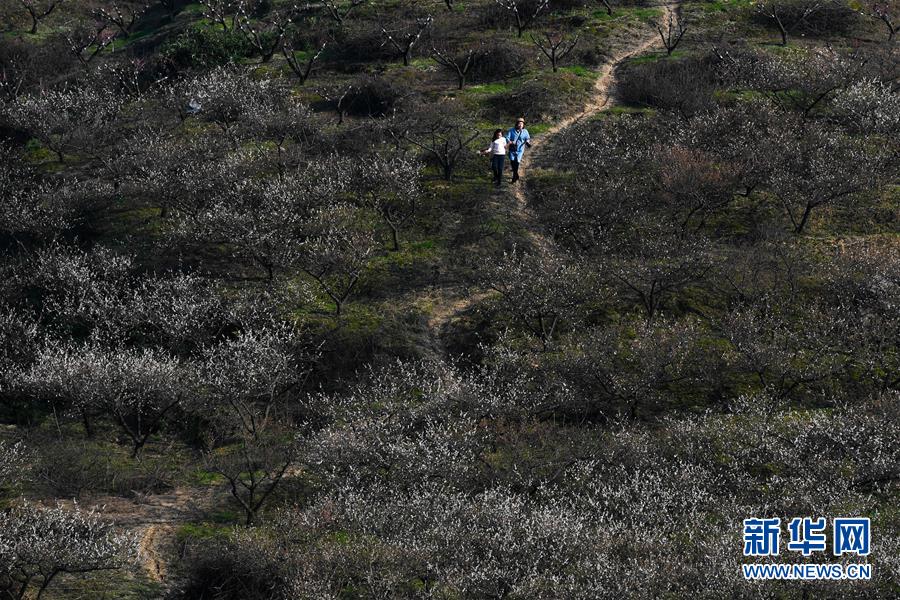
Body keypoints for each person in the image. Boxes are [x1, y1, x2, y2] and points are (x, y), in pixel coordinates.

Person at [506, 117, 532, 183]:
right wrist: (511, 142)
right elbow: (507, 138)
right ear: (516, 124)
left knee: (517, 162)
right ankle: (516, 175)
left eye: (522, 124)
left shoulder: (525, 131)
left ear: (523, 125)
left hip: (520, 149)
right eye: (519, 123)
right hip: (512, 149)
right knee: (512, 162)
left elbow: (527, 138)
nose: (520, 125)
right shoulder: (511, 130)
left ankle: (514, 178)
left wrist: (528, 142)